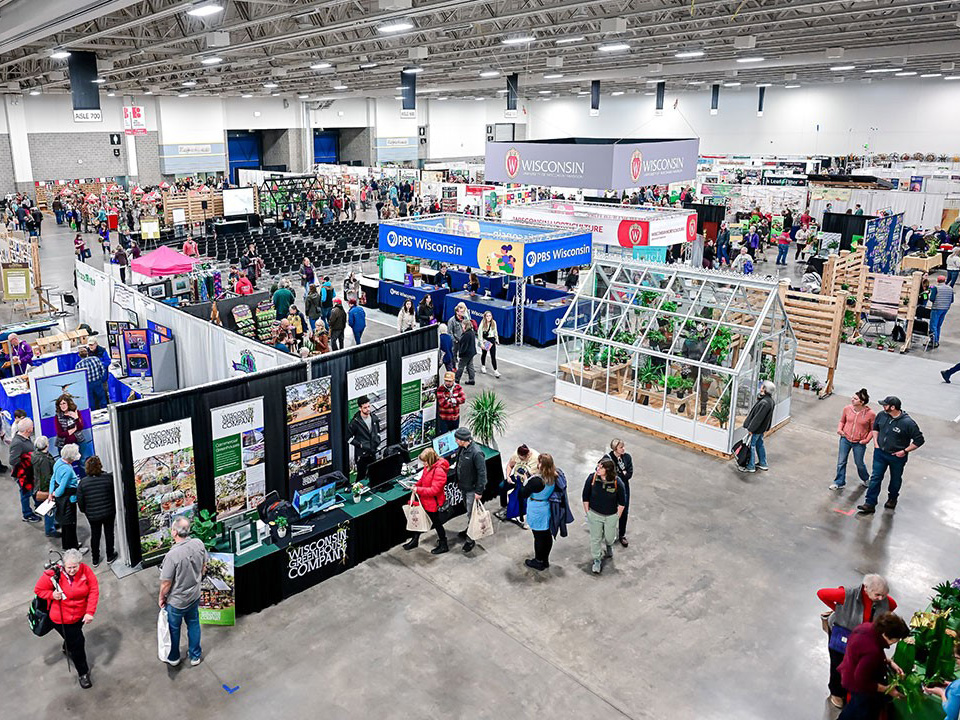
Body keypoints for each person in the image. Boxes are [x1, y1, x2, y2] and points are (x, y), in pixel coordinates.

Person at [818, 575, 897, 710]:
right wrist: (838, 610)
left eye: (884, 595)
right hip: (843, 635)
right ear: (866, 588)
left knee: (858, 665)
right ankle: (836, 693)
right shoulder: (847, 595)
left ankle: (851, 688)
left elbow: (893, 606)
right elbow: (822, 593)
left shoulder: (886, 601)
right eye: (877, 595)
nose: (881, 598)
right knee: (838, 664)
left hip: (864, 639)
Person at [33, 548, 99, 689]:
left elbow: (94, 590)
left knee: (72, 639)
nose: (72, 570)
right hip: (60, 618)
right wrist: (52, 595)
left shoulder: (86, 571)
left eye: (75, 567)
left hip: (79, 616)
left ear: (80, 564)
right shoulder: (53, 574)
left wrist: (89, 612)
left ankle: (67, 646)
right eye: (69, 567)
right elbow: (39, 590)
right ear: (63, 565)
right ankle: (83, 673)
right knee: (78, 643)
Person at [836, 612, 910, 720]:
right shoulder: (873, 652)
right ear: (886, 635)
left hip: (849, 670)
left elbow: (864, 653)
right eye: (895, 640)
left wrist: (889, 662)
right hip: (859, 687)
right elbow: (863, 681)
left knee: (853, 708)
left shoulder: (866, 628)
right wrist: (888, 689)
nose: (895, 642)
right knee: (859, 711)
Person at [858, 396, 925, 514]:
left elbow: (919, 440)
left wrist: (904, 451)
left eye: (885, 405)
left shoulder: (907, 423)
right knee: (875, 478)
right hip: (880, 453)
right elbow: (875, 428)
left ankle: (892, 498)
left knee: (895, 479)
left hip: (897, 457)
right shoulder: (881, 415)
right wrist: (876, 443)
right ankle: (870, 503)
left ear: (893, 407)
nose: (883, 406)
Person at [158, 516, 208, 667]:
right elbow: (204, 566)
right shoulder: (198, 543)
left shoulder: (172, 555)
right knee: (193, 624)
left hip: (176, 602)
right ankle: (195, 656)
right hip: (194, 595)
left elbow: (166, 583)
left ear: (174, 533)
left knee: (174, 629)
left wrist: (161, 597)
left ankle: (174, 657)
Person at [582, 458, 625, 574]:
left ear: (608, 470)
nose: (598, 469)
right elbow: (585, 496)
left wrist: (617, 517)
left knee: (609, 537)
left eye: (601, 467)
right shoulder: (592, 478)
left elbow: (622, 502)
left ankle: (609, 545)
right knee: (595, 539)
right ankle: (597, 559)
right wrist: (588, 513)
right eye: (598, 466)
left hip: (610, 516)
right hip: (595, 514)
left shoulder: (617, 482)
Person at [403, 448, 449, 555]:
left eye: (424, 461)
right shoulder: (428, 466)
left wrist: (418, 490)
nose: (423, 463)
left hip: (433, 504)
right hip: (425, 501)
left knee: (437, 524)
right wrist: (416, 485)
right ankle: (415, 540)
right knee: (419, 519)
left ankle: (443, 544)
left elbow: (434, 490)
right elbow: (423, 479)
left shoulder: (439, 471)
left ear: (430, 459)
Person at [830, 389, 876, 491]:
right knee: (841, 461)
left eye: (855, 399)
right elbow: (842, 421)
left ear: (862, 402)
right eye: (853, 397)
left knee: (859, 463)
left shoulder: (871, 414)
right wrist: (839, 429)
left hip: (859, 443)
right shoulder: (847, 409)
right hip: (845, 439)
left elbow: (873, 430)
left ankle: (866, 479)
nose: (852, 400)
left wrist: (866, 440)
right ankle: (839, 482)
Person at [520, 453, 560, 571]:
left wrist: (526, 480)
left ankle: (538, 561)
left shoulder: (537, 481)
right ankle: (545, 560)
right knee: (546, 535)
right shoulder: (554, 476)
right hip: (545, 506)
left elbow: (523, 493)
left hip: (536, 508)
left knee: (538, 537)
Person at [77, 455, 116, 567]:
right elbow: (114, 495)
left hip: (93, 515)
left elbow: (80, 501)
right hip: (109, 512)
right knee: (109, 533)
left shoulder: (83, 483)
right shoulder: (108, 478)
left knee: (95, 535)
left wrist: (86, 511)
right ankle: (110, 555)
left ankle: (95, 559)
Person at [453, 427, 487, 553]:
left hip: (472, 490)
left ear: (463, 440)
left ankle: (470, 540)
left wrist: (479, 491)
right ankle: (469, 530)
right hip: (463, 486)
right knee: (468, 511)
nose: (456, 441)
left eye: (457, 439)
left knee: (471, 514)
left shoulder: (476, 453)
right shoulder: (462, 448)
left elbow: (482, 473)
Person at [602, 439, 634, 547]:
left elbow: (629, 474)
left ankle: (622, 534)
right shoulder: (608, 459)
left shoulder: (627, 457)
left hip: (624, 488)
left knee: (624, 511)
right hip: (612, 489)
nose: (623, 449)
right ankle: (607, 533)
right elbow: (605, 472)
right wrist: (621, 474)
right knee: (610, 511)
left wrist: (620, 474)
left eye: (623, 447)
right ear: (615, 449)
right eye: (621, 447)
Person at [496, 443, 539, 523]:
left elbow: (540, 475)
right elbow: (510, 465)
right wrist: (508, 476)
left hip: (528, 482)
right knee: (502, 486)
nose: (520, 460)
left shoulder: (536, 458)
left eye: (522, 459)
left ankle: (524, 516)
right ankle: (505, 506)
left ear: (528, 455)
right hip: (516, 477)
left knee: (521, 497)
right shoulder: (517, 454)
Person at [739, 380, 776, 473]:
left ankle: (750, 466)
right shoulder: (770, 401)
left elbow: (758, 418)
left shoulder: (764, 403)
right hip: (761, 429)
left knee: (751, 446)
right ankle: (763, 463)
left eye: (762, 386)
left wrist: (751, 429)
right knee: (759, 444)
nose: (760, 387)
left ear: (765, 389)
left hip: (757, 429)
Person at [52, 443, 82, 551]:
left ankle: (66, 546)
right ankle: (73, 549)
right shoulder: (68, 470)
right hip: (68, 501)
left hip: (61, 501)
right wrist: (56, 493)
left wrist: (52, 493)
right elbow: (61, 489)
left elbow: (54, 480)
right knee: (70, 526)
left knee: (65, 526)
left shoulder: (58, 463)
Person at [10, 417, 40, 522]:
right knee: (25, 494)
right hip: (23, 475)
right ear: (28, 430)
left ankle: (38, 507)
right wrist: (26, 463)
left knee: (32, 490)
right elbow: (13, 460)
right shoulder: (18, 443)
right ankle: (27, 514)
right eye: (32, 426)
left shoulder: (26, 438)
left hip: (29, 473)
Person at [348, 395, 381, 483]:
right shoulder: (355, 422)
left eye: (369, 406)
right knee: (361, 476)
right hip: (361, 454)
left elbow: (377, 430)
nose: (368, 409)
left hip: (372, 451)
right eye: (365, 407)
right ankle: (358, 493)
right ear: (360, 408)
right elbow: (347, 437)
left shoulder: (374, 418)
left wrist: (377, 439)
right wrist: (360, 445)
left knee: (374, 473)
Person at [34, 435, 58, 538]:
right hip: (45, 487)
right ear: (46, 445)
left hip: (37, 485)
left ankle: (53, 524)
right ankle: (50, 529)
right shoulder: (44, 460)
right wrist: (50, 491)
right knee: (50, 508)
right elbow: (46, 477)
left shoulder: (35, 455)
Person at [76, 346, 108, 411]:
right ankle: (105, 411)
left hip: (88, 384)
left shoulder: (78, 365)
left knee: (91, 401)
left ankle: (93, 414)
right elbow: (102, 369)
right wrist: (100, 378)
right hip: (98, 381)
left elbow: (79, 377)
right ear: (87, 353)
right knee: (102, 398)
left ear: (79, 355)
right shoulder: (95, 359)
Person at [435, 371, 465, 436]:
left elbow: (463, 399)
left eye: (450, 381)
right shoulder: (441, 389)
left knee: (454, 436)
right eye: (446, 381)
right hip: (444, 418)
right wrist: (455, 402)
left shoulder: (458, 388)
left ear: (453, 380)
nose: (448, 383)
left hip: (455, 418)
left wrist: (450, 400)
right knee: (444, 436)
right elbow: (443, 403)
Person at [928, 275, 954, 348]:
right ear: (945, 280)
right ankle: (937, 340)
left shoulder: (936, 288)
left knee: (933, 325)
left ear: (937, 281)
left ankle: (934, 341)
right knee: (938, 325)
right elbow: (952, 300)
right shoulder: (950, 289)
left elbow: (932, 299)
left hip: (936, 308)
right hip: (945, 309)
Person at [455, 318, 477, 385]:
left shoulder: (466, 334)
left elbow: (464, 346)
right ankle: (471, 379)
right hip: (471, 352)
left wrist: (460, 354)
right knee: (470, 366)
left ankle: (456, 379)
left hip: (466, 353)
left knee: (461, 366)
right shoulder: (472, 333)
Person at [478, 311, 500, 378]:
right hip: (486, 340)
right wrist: (481, 343)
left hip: (492, 340)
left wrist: (497, 339)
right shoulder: (482, 324)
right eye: (487, 316)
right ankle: (483, 366)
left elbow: (495, 331)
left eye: (490, 316)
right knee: (484, 353)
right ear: (485, 317)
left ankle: (495, 370)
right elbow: (480, 334)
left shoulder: (494, 323)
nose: (488, 317)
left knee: (493, 355)